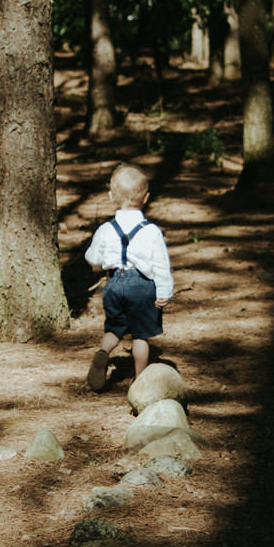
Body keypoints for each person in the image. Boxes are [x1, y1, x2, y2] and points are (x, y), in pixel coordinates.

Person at [82, 162, 174, 391]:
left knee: (114, 329)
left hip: (114, 283)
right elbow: (161, 265)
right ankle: (140, 381)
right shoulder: (151, 231)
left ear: (112, 196)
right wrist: (164, 292)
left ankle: (103, 354)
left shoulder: (105, 229)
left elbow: (92, 257)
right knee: (141, 336)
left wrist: (101, 265)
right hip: (142, 285)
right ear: (146, 198)